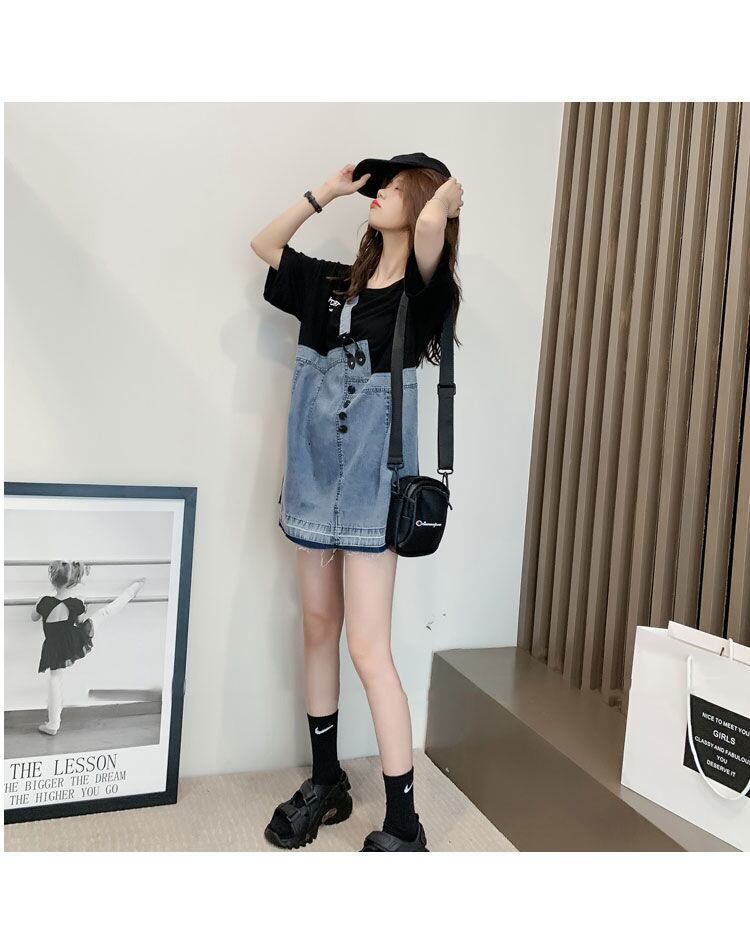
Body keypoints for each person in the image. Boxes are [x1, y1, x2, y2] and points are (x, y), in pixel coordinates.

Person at [251, 153, 463, 852]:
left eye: (396, 187)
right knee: (317, 627)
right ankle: (327, 781)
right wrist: (328, 192)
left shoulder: (423, 295)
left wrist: (446, 193)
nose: (382, 193)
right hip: (314, 477)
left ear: (424, 202)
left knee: (369, 647)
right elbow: (265, 245)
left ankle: (404, 821)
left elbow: (432, 226)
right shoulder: (331, 286)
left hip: (374, 489)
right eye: (383, 184)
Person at [33, 559, 146, 735]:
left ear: (52, 578)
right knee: (104, 612)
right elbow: (79, 621)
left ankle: (53, 724)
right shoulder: (77, 602)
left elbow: (34, 617)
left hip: (53, 645)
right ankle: (133, 589)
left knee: (55, 679)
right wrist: (81, 606)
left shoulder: (43, 601)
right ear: (74, 581)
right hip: (72, 640)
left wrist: (44, 607)